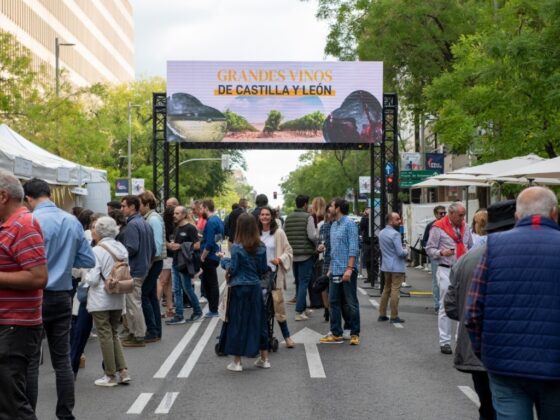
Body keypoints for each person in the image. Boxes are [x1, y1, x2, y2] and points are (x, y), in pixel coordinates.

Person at [466, 187, 560, 419]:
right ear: (555, 214)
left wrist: (487, 353)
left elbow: (473, 312)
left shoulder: (494, 246)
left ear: (517, 217)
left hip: (504, 365)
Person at [24, 178, 96, 420]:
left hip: (34, 295)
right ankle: (65, 414)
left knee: (32, 362)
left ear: (28, 199)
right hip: (63, 295)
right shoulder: (71, 221)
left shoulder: (30, 220)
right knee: (62, 360)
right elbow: (88, 261)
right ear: (50, 194)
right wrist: (64, 262)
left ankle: (29, 414)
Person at [445, 201, 515, 420]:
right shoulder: (526, 254)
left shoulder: (466, 259)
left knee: (487, 407)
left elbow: (451, 307)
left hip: (477, 349)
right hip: (516, 350)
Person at [0, 170, 48, 419]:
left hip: (15, 326)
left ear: (2, 196)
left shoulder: (24, 224)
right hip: (11, 325)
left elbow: (38, 277)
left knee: (13, 405)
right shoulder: (11, 225)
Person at [220, 213, 270, 372]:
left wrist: (224, 260)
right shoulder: (261, 247)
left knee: (238, 323)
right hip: (255, 287)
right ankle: (264, 358)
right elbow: (263, 270)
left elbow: (233, 269)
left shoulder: (236, 247)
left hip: (239, 288)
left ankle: (237, 361)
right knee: (259, 321)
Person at [85, 217, 131, 387]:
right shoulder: (121, 248)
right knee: (114, 333)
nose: (93, 232)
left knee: (105, 335)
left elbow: (93, 279)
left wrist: (84, 276)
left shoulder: (97, 250)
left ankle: (110, 375)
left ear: (100, 231)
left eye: (95, 229)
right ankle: (123, 371)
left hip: (100, 298)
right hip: (118, 295)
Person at [425, 201, 472, 355]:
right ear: (451, 214)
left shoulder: (466, 227)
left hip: (463, 269)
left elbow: (470, 246)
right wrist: (441, 253)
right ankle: (444, 341)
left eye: (463, 215)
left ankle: (460, 340)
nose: (462, 218)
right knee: (446, 304)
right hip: (446, 269)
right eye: (460, 215)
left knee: (463, 304)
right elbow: (429, 249)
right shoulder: (438, 227)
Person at [320, 198, 360, 345]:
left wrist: (349, 269)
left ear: (337, 208)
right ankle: (336, 332)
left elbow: (353, 248)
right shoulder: (333, 226)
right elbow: (334, 250)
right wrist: (330, 269)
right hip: (335, 269)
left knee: (351, 303)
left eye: (330, 206)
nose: (328, 209)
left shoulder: (349, 224)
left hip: (347, 270)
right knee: (333, 302)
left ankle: (355, 333)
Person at [119, 195, 156, 347]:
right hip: (143, 267)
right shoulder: (144, 223)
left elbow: (132, 248)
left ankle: (138, 335)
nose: (122, 209)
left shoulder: (133, 225)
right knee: (135, 302)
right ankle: (135, 333)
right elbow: (153, 249)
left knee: (133, 303)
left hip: (135, 269)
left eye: (123, 206)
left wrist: (119, 254)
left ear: (132, 207)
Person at [258, 206, 295, 348]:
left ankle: (287, 337)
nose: (265, 217)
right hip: (259, 275)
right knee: (259, 307)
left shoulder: (278, 233)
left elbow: (289, 250)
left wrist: (279, 259)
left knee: (278, 305)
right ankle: (261, 336)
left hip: (273, 274)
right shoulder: (255, 233)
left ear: (272, 217)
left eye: (267, 214)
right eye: (262, 214)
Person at [166, 206, 203, 324]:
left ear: (183, 215)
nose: (174, 215)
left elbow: (197, 245)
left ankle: (197, 311)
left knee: (187, 288)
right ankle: (179, 315)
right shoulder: (177, 228)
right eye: (174, 213)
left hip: (185, 262)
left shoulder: (190, 228)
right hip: (176, 261)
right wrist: (171, 245)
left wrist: (180, 246)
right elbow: (176, 243)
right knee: (176, 289)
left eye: (177, 213)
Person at [138, 191, 166, 343]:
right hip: (154, 262)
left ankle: (153, 330)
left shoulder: (153, 219)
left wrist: (147, 263)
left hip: (153, 262)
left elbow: (155, 245)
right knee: (151, 296)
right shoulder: (151, 218)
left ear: (147, 204)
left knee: (144, 295)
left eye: (140, 204)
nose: (138, 207)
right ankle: (156, 330)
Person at [284, 194, 317, 320]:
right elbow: (312, 236)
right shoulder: (308, 217)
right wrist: (316, 245)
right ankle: (299, 312)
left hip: (293, 254)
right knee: (304, 282)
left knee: (298, 281)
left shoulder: (288, 217)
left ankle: (302, 308)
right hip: (305, 254)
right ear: (305, 204)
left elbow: (284, 232)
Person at [377, 212, 407, 324]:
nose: (399, 221)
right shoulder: (395, 234)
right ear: (390, 221)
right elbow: (400, 252)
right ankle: (394, 316)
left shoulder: (381, 233)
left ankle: (382, 314)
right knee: (395, 290)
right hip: (397, 267)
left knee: (386, 289)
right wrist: (406, 250)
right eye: (397, 219)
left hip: (386, 265)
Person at [199, 199, 224, 317]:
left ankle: (213, 309)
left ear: (206, 208)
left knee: (211, 283)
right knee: (212, 282)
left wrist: (203, 257)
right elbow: (218, 238)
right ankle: (213, 308)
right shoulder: (218, 220)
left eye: (201, 208)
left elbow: (209, 243)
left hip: (209, 256)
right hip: (216, 254)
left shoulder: (210, 222)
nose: (200, 211)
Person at [421, 205, 446, 313]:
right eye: (441, 213)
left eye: (445, 213)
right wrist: (432, 251)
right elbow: (424, 241)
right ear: (435, 214)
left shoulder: (449, 224)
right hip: (436, 256)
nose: (443, 215)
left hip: (448, 256)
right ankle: (437, 305)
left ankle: (446, 304)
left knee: (448, 280)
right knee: (436, 281)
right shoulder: (431, 226)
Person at [159, 204, 176, 318]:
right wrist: (170, 245)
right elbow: (163, 240)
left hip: (169, 255)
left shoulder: (170, 225)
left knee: (168, 283)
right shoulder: (165, 226)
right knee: (163, 281)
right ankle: (157, 307)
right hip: (167, 256)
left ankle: (169, 307)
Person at [359, 207, 380, 288]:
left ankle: (374, 277)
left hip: (375, 242)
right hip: (366, 242)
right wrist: (365, 217)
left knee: (374, 260)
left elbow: (378, 227)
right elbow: (361, 227)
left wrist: (371, 217)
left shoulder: (376, 219)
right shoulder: (364, 219)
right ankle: (369, 277)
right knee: (367, 261)